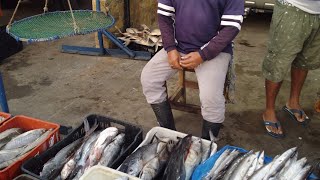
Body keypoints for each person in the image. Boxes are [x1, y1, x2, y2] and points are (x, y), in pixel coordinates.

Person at [140, 0, 244, 139]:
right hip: (179, 47)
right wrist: (170, 48)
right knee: (149, 78)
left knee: (211, 98)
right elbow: (164, 17)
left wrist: (203, 55)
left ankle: (207, 144)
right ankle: (168, 131)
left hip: (215, 50)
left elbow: (231, 27)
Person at [262, 0, 320, 138]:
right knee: (278, 62)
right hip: (292, 8)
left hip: (318, 13)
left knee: (304, 61)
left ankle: (293, 102)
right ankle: (269, 110)